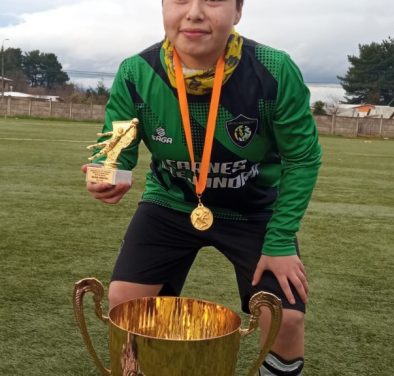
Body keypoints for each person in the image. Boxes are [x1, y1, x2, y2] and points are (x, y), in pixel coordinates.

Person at [82, 1, 321, 374]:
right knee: (124, 301)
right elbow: (115, 150)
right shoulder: (136, 72)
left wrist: (279, 242)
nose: (194, 13)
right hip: (170, 203)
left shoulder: (274, 69)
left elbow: (303, 158)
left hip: (253, 210)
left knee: (285, 317)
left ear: (238, 12)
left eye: (212, 0)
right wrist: (105, 173)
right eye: (179, 0)